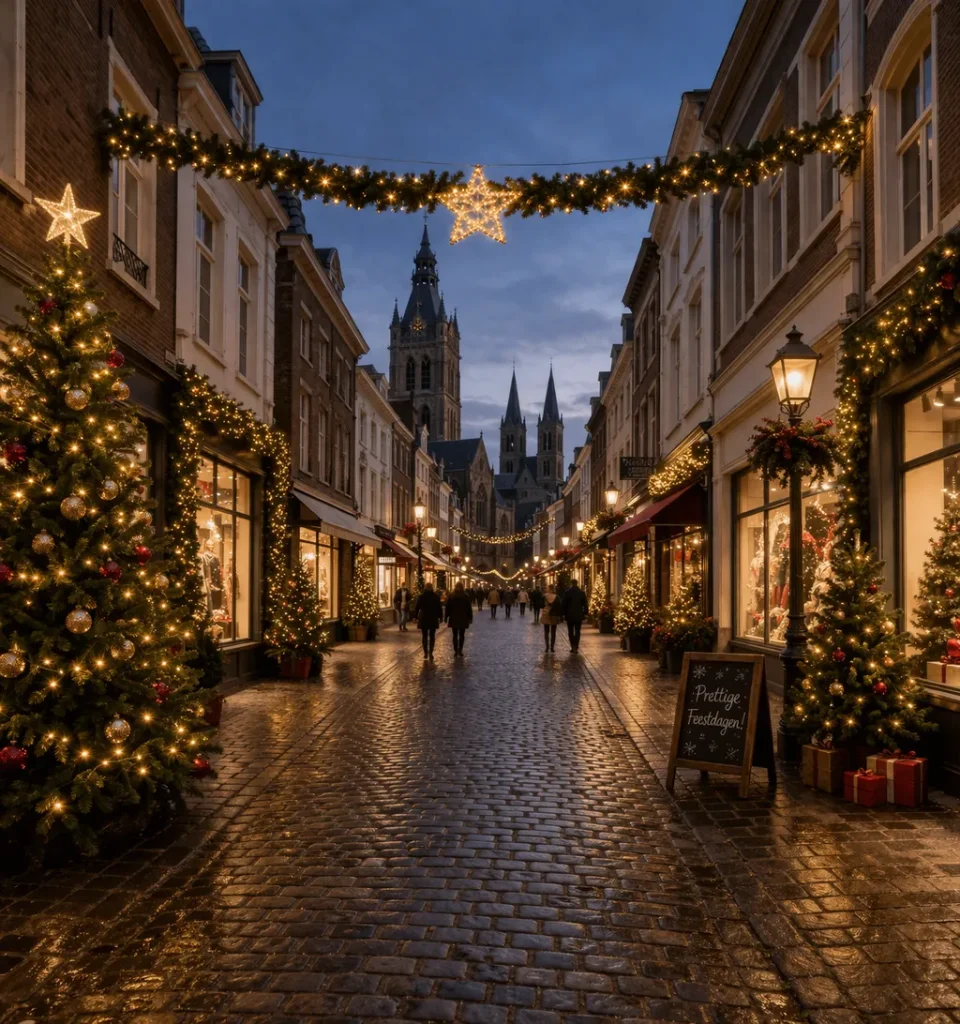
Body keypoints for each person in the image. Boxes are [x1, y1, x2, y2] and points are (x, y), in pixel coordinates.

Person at [413, 581, 443, 659]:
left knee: (424, 636)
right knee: (432, 636)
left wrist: (415, 617)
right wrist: (441, 617)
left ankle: (425, 652)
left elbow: (417, 607)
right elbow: (439, 608)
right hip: (433, 617)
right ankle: (431, 653)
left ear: (425, 587)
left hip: (424, 617)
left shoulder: (421, 596)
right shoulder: (435, 596)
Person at [560, 579, 590, 653]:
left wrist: (562, 614)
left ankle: (572, 646)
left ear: (571, 584)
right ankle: (576, 646)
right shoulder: (581, 593)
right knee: (577, 631)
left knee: (570, 631)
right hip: (578, 615)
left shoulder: (567, 593)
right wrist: (585, 613)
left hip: (569, 615)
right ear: (577, 584)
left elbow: (563, 604)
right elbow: (585, 604)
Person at [445, 582, 473, 656]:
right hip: (463, 618)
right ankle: (460, 650)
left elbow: (448, 608)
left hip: (453, 618)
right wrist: (470, 617)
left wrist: (446, 617)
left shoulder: (451, 596)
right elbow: (469, 608)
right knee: (461, 635)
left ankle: (455, 651)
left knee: (454, 635)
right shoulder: (465, 596)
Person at [541, 586, 560, 652]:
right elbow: (559, 606)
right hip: (554, 615)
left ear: (548, 589)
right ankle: (552, 647)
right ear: (553, 589)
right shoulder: (557, 597)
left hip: (546, 614)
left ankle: (547, 647)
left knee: (546, 631)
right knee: (553, 632)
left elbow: (541, 605)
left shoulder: (544, 596)